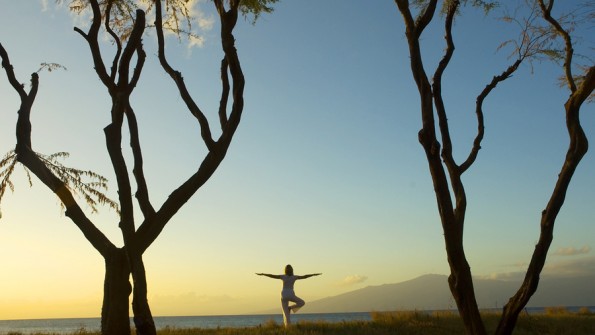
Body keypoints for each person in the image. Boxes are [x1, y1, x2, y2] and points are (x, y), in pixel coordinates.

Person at [256, 264, 322, 327]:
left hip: (283, 294)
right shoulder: (294, 277)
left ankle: (287, 327)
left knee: (286, 314)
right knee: (302, 302)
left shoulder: (283, 276)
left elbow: (272, 275)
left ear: (285, 270)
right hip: (290, 293)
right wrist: (313, 275)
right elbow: (304, 276)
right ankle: (290, 308)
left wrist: (263, 274)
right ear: (292, 270)